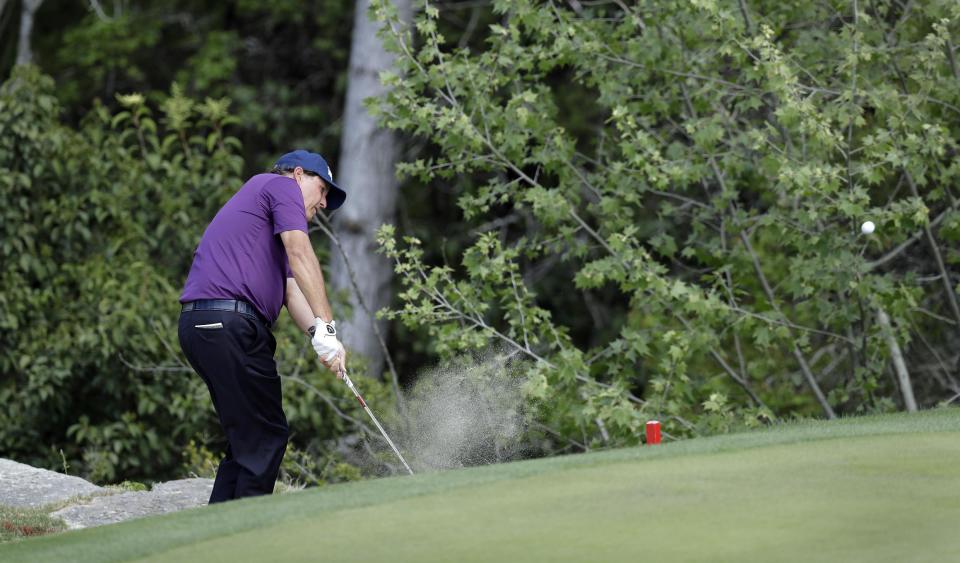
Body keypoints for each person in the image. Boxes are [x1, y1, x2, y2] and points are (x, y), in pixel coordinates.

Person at [178, 149, 348, 503]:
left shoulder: (266, 223)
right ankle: (243, 536)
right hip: (229, 323)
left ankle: (216, 535)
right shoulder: (279, 187)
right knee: (267, 435)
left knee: (250, 439)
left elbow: (290, 289)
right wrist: (329, 325)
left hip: (204, 326)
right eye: (323, 189)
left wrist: (319, 336)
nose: (324, 203)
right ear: (299, 175)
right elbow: (301, 254)